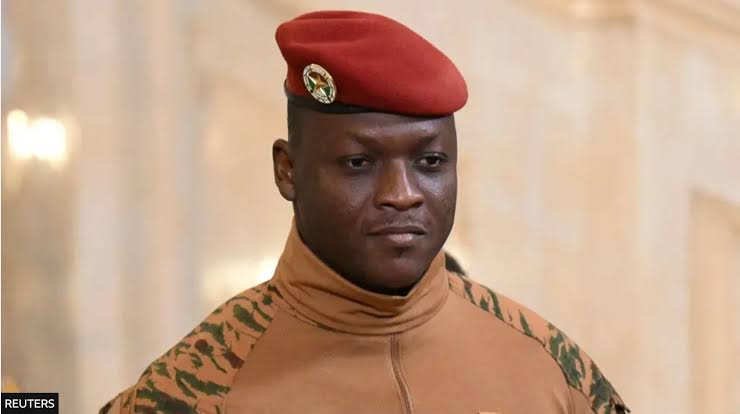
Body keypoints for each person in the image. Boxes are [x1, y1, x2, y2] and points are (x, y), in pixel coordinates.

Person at [100, 10, 628, 414]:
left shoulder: (550, 369)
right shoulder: (197, 388)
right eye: (359, 163)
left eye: (430, 162)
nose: (402, 194)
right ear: (288, 171)